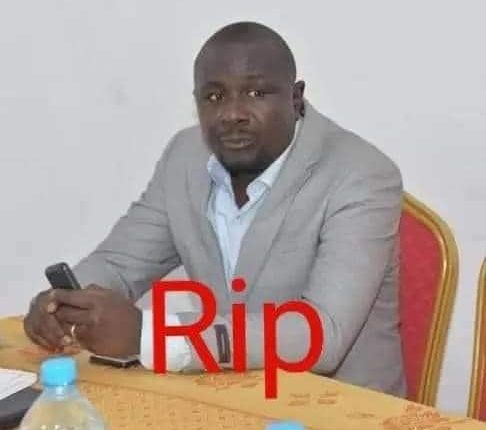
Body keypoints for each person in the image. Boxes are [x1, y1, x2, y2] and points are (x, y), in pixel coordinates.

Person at [24, 21, 406, 396]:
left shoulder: (360, 174)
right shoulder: (186, 157)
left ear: (295, 97)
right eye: (214, 97)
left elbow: (323, 332)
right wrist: (64, 303)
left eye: (256, 93)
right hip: (223, 397)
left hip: (337, 409)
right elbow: (119, 265)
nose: (232, 113)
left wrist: (153, 335)